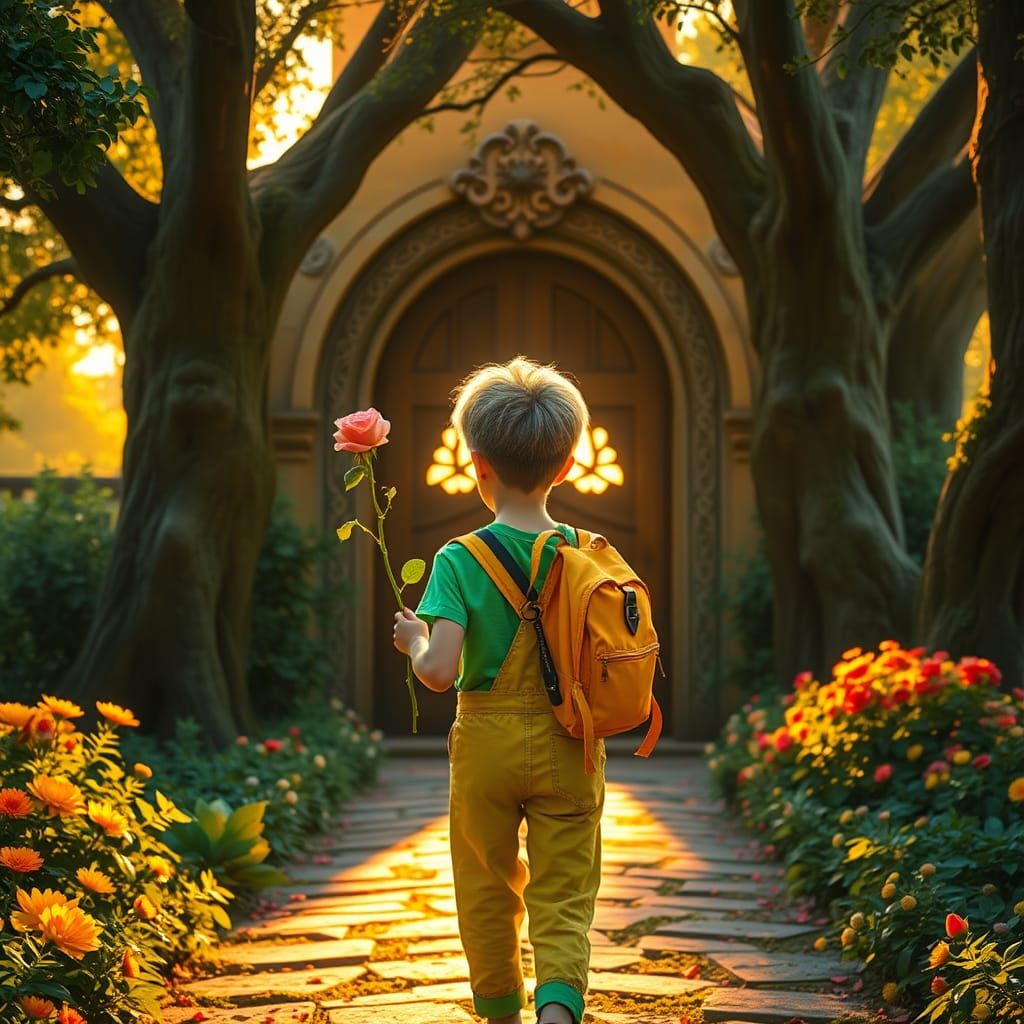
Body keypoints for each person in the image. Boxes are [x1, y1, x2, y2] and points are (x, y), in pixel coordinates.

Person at [392, 356, 604, 1024]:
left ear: (476, 462)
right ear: (567, 465)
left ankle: (499, 1010)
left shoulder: (459, 559)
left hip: (485, 745)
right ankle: (559, 1011)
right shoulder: (585, 554)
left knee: (485, 884)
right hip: (570, 739)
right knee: (564, 890)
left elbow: (439, 672)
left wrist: (413, 640)